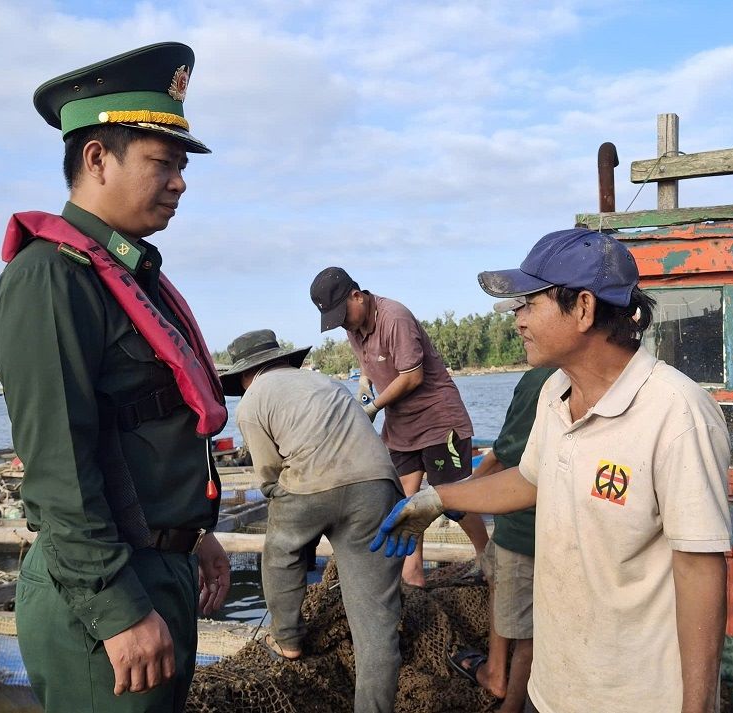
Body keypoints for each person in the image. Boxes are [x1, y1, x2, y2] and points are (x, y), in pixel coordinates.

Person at [371, 228, 732, 713]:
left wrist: (698, 707)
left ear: (583, 308)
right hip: (555, 685)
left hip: (636, 695)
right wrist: (440, 498)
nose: (516, 320)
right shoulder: (555, 392)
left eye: (528, 303)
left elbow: (700, 569)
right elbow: (529, 479)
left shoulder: (677, 413)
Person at [0, 42, 231, 713]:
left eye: (181, 166)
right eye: (162, 163)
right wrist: (118, 610)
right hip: (106, 589)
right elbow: (58, 466)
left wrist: (195, 533)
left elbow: (147, 430)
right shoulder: (49, 280)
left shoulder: (125, 277)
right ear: (97, 158)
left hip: (159, 568)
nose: (179, 182)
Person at [219, 329, 404, 713]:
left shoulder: (252, 401)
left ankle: (287, 639)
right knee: (376, 626)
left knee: (280, 552)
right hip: (377, 485)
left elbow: (269, 476)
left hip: (308, 483)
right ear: (283, 360)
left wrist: (291, 523)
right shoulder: (325, 381)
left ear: (244, 375)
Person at [310, 267, 490, 588]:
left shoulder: (395, 317)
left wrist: (374, 407)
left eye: (343, 314)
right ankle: (413, 571)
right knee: (403, 501)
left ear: (357, 296)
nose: (344, 324)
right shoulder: (354, 329)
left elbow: (411, 377)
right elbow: (367, 370)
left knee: (454, 500)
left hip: (439, 422)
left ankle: (486, 556)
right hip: (401, 425)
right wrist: (364, 393)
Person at [450, 365, 553, 709]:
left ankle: (508, 700)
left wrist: (455, 495)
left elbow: (508, 452)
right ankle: (496, 668)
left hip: (523, 529)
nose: (521, 323)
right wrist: (467, 489)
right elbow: (504, 450)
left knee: (527, 632)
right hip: (552, 527)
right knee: (500, 581)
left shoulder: (542, 379)